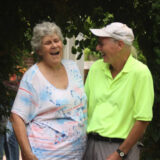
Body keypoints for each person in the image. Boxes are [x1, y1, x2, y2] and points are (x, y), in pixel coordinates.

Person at [10, 21, 87, 160]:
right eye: (48, 43)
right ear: (39, 50)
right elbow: (17, 117)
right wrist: (27, 153)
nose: (54, 45)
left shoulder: (72, 68)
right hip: (46, 155)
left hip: (77, 154)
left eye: (56, 40)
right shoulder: (33, 77)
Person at [83, 22, 154, 160]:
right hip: (90, 145)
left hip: (120, 149)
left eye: (101, 43)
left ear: (120, 45)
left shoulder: (140, 73)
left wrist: (119, 154)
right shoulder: (96, 69)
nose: (98, 48)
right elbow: (83, 108)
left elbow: (143, 120)